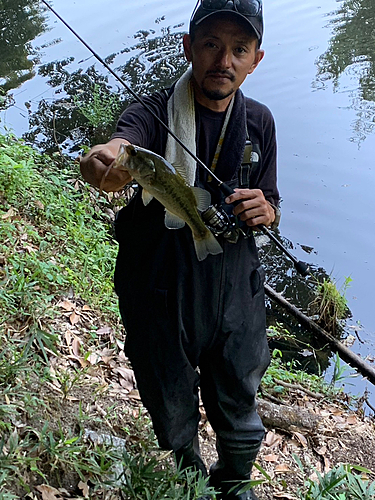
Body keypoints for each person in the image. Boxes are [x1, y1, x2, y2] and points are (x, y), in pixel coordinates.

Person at [80, 1, 279, 498]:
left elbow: (271, 196)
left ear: (256, 59)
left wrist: (267, 210)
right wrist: (104, 164)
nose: (223, 60)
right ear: (189, 47)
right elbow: (117, 150)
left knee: (239, 387)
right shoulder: (152, 112)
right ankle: (187, 461)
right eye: (211, 44)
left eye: (239, 49)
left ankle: (234, 479)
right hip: (159, 282)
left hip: (235, 282)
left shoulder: (261, 123)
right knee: (166, 387)